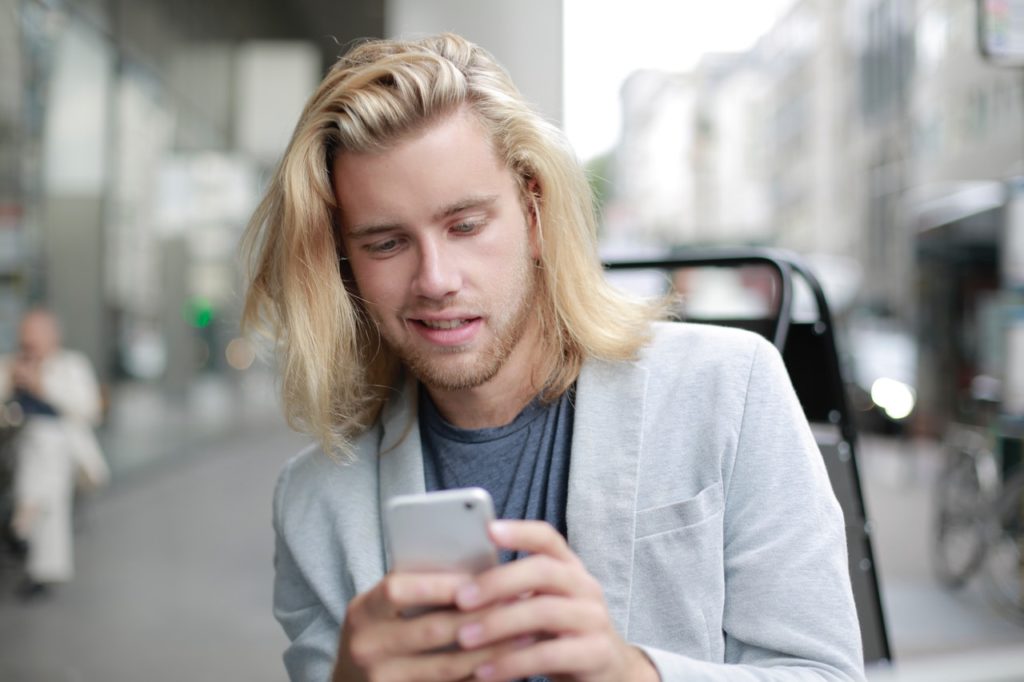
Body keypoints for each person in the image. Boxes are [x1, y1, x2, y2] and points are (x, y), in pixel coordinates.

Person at [242, 33, 865, 682]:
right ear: (346, 269)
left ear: (534, 211)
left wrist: (631, 674)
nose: (435, 278)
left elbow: (824, 673)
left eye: (465, 226)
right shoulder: (315, 503)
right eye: (387, 243)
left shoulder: (730, 389)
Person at [0, 308, 109, 598]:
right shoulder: (13, 365)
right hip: (21, 446)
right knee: (40, 500)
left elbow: (89, 409)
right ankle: (24, 529)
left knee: (45, 499)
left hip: (62, 448)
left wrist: (41, 385)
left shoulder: (71, 365)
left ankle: (24, 529)